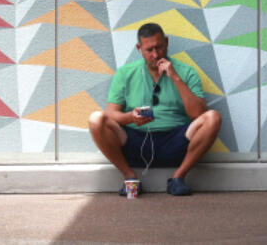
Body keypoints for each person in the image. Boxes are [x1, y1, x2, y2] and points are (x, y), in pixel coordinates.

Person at [88, 22, 222, 196]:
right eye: (149, 50)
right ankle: (129, 177)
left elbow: (198, 114)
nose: (156, 54)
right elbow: (111, 113)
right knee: (96, 119)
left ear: (166, 42)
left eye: (159, 48)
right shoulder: (125, 73)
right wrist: (131, 117)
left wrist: (175, 77)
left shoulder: (186, 71)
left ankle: (178, 178)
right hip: (136, 140)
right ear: (139, 48)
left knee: (213, 117)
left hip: (176, 140)